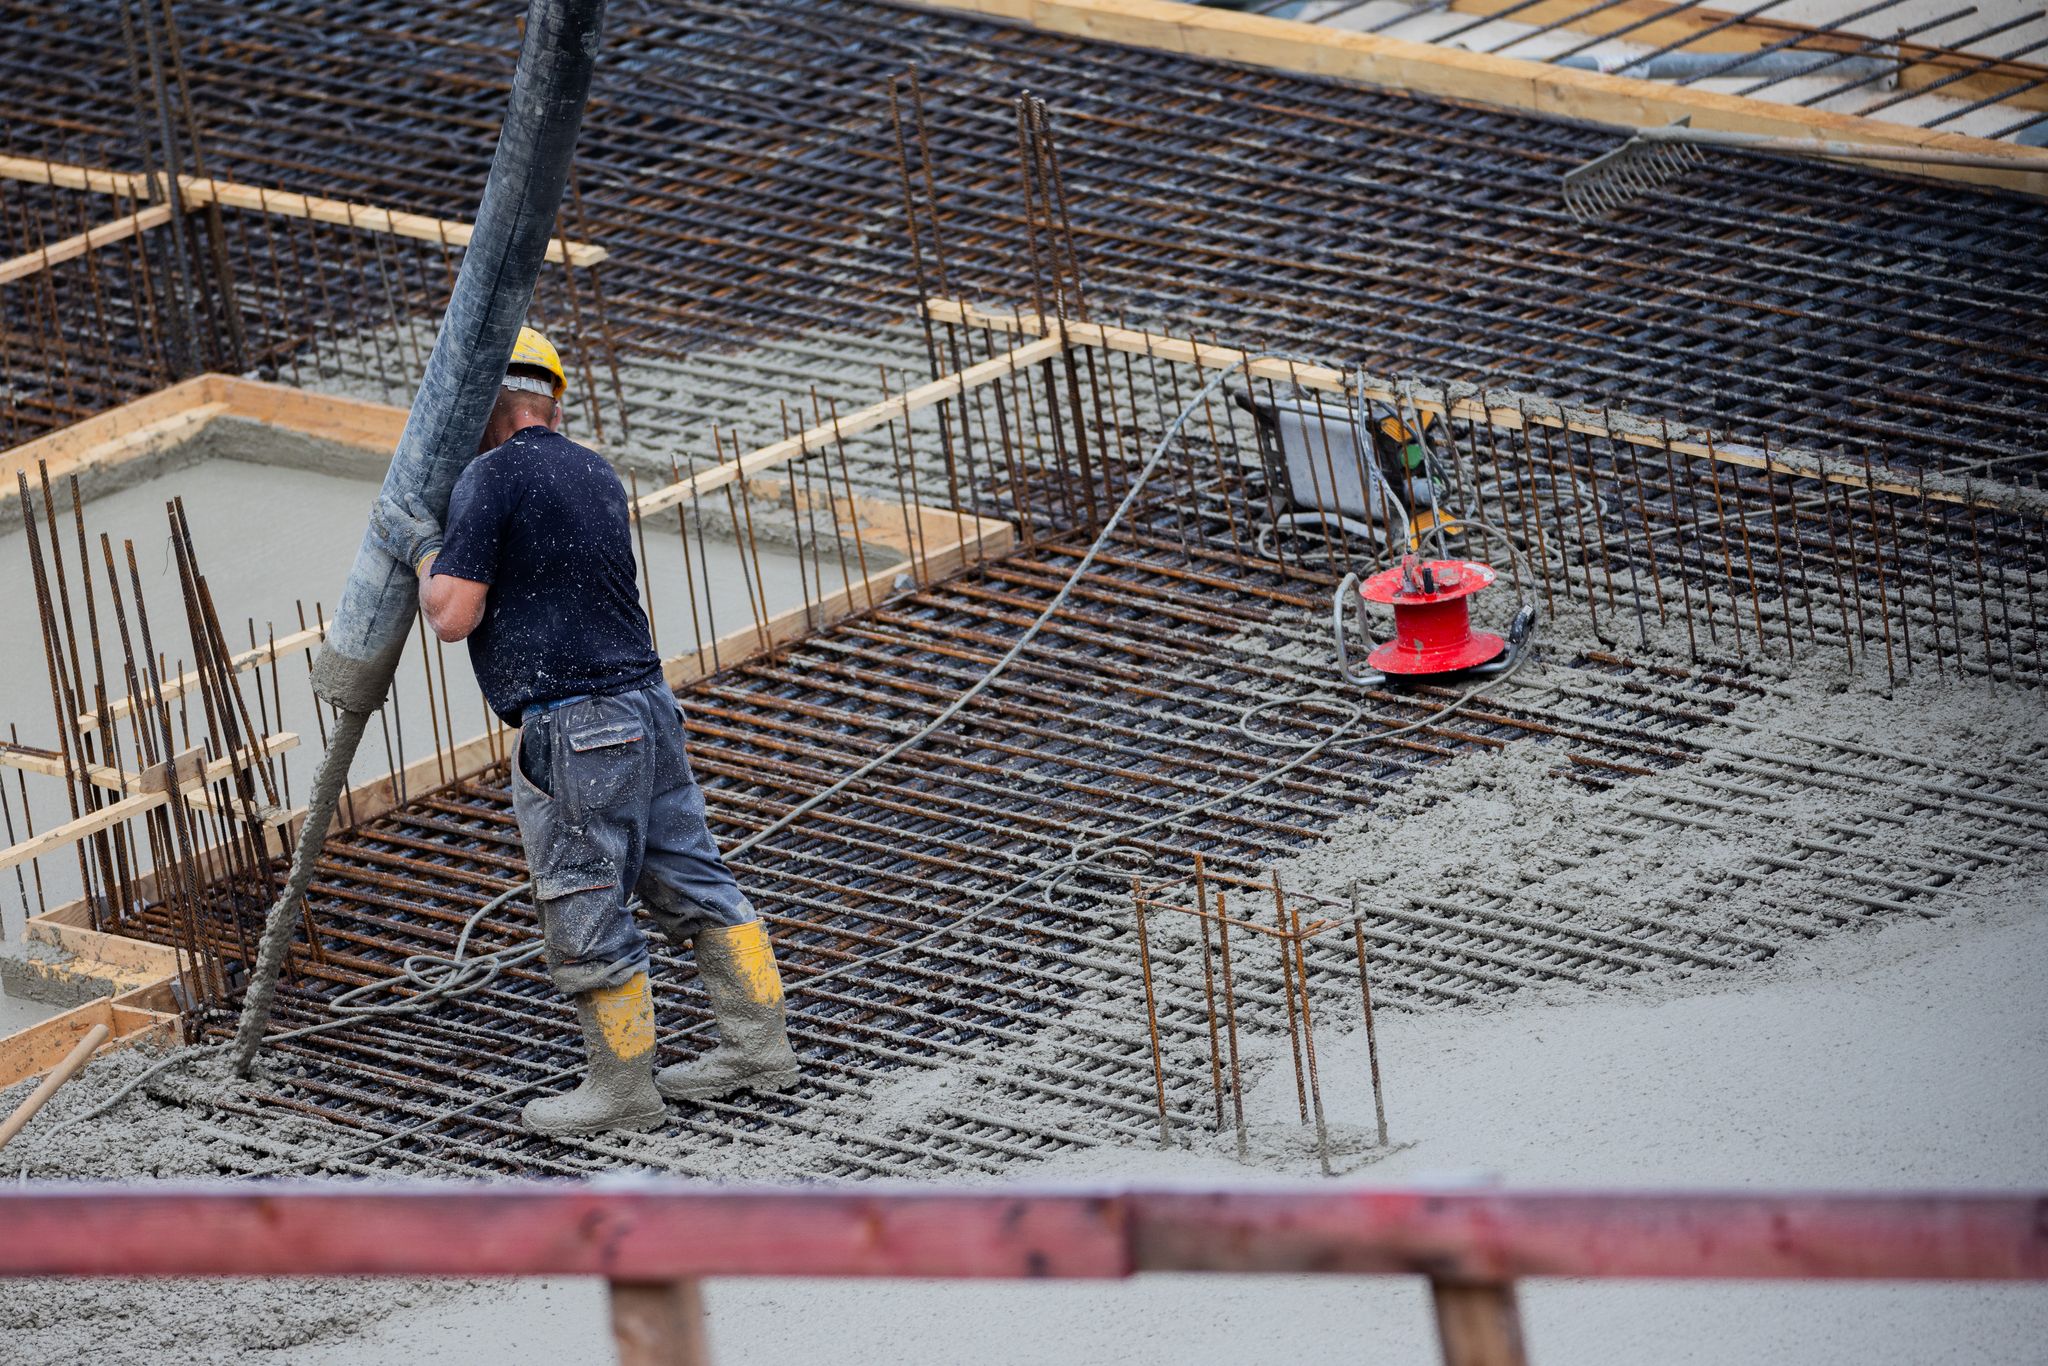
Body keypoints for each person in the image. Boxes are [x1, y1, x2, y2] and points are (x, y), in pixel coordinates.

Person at [369, 325, 798, 1136]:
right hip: (647, 707)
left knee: (585, 899)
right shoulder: (595, 471)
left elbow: (453, 616)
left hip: (574, 727)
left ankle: (624, 1091)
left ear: (484, 408)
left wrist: (424, 547)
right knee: (695, 876)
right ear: (553, 402)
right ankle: (758, 1050)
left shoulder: (490, 477)